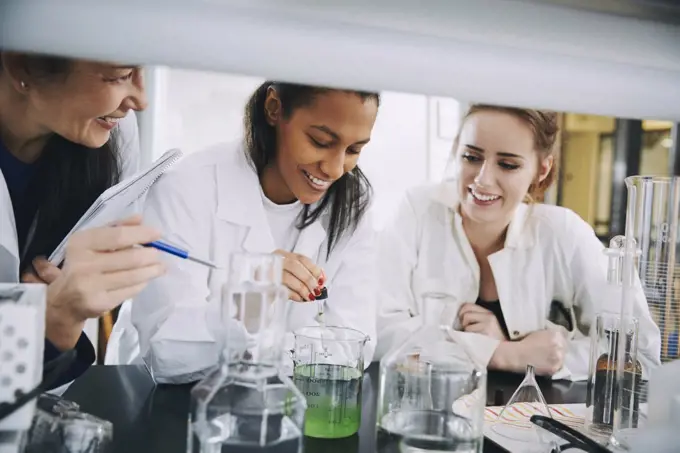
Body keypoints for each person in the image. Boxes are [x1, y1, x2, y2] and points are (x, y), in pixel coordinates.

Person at [109, 81, 381, 384]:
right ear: (274, 108)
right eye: (320, 141)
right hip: (156, 398)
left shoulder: (353, 202)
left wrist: (260, 347)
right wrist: (251, 294)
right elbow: (168, 354)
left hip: (279, 400)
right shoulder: (185, 187)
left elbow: (356, 345)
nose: (334, 168)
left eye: (354, 149)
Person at [375, 104, 661, 380]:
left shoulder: (564, 232)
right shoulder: (417, 210)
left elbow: (640, 354)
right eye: (471, 157)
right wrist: (501, 353)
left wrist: (557, 354)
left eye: (508, 165)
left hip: (531, 421)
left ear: (542, 170)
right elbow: (377, 331)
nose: (483, 180)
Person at [0, 51, 164, 389]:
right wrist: (53, 319)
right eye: (119, 76)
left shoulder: (111, 134)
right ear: (22, 65)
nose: (141, 100)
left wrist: (60, 319)